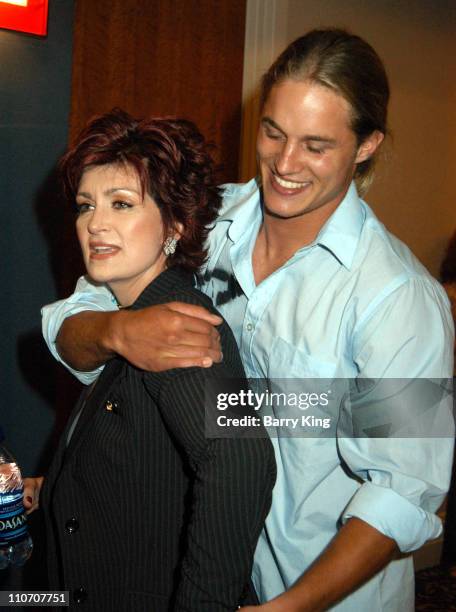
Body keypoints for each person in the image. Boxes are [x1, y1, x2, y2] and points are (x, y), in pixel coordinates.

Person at [41, 29, 454, 611]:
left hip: (315, 592)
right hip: (204, 560)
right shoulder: (206, 220)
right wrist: (116, 331)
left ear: (366, 145)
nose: (284, 164)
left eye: (316, 145)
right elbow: (73, 315)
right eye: (273, 132)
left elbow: (405, 493)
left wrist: (289, 608)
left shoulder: (401, 300)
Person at [32, 109, 276, 611]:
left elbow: (242, 460)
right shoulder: (129, 318)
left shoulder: (178, 325)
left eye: (121, 204)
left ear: (175, 226)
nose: (95, 224)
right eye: (85, 206)